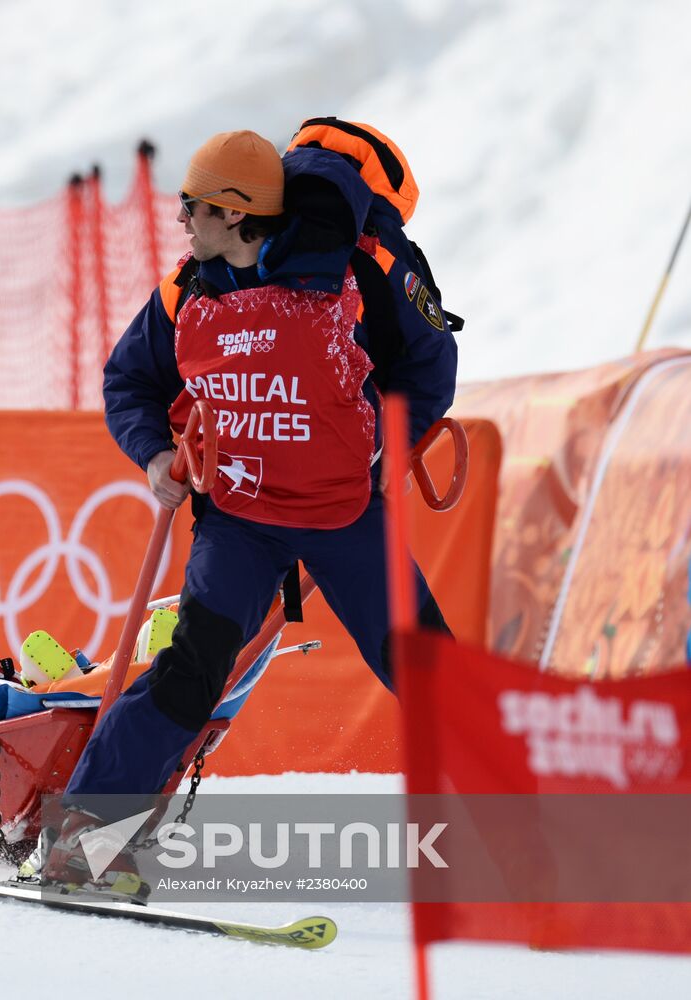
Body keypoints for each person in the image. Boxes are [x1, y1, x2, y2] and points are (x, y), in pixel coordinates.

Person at [23, 129, 457, 897]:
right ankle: (79, 849)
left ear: (231, 212)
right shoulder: (188, 288)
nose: (181, 222)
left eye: (190, 207)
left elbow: (429, 363)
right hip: (241, 519)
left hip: (343, 512)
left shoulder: (361, 271)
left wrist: (395, 449)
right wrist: (156, 453)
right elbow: (129, 380)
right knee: (189, 673)